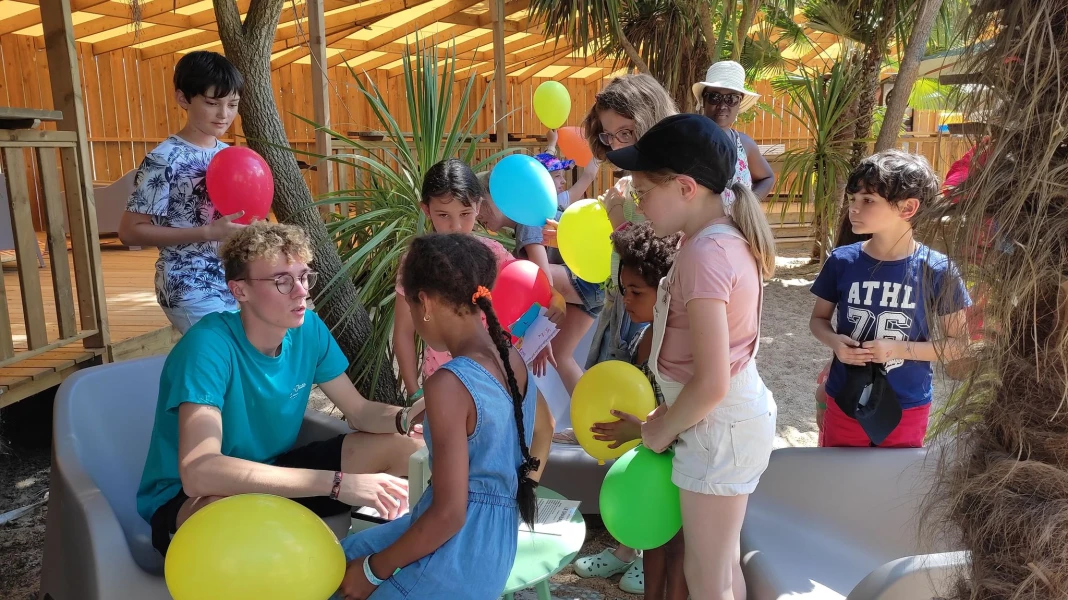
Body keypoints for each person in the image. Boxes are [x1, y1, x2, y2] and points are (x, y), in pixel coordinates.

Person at [136, 221, 421, 557]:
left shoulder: (308, 329)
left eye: (303, 277)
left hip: (273, 472)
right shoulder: (207, 346)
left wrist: (408, 417)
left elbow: (358, 412)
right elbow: (199, 471)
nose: (301, 291)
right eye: (282, 281)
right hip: (189, 497)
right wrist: (337, 484)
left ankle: (401, 565)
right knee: (225, 514)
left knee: (406, 448)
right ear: (239, 290)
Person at [608, 113, 778, 599]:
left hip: (717, 428)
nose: (639, 205)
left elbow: (712, 382)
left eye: (643, 193)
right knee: (720, 567)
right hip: (718, 423)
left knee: (707, 576)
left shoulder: (707, 255)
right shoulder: (706, 241)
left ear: (685, 187)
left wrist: (659, 428)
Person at [333, 233, 555, 600]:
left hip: (455, 553)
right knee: (343, 557)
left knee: (346, 576)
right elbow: (543, 428)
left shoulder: (448, 384)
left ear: (425, 302)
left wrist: (373, 571)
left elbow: (450, 515)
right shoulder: (512, 359)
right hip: (494, 547)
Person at [809, 150, 971, 448]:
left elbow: (958, 345)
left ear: (908, 207)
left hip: (906, 405)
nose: (853, 209)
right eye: (852, 199)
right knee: (839, 483)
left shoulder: (938, 270)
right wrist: (835, 343)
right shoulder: (841, 261)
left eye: (868, 200)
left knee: (894, 487)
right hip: (845, 396)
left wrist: (899, 348)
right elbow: (819, 320)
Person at [573, 223, 686, 599]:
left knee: (678, 547)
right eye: (623, 290)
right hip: (651, 468)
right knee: (654, 540)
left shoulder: (679, 345)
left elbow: (688, 415)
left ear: (666, 290)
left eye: (636, 292)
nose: (626, 300)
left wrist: (639, 431)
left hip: (684, 467)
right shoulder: (642, 335)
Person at [119, 50, 248, 333]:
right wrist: (206, 233)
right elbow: (129, 231)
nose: (224, 114)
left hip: (234, 282)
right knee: (222, 360)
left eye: (232, 104)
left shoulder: (229, 156)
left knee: (234, 367)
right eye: (212, 103)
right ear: (183, 99)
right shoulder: (165, 159)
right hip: (187, 284)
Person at [393, 159, 516, 404]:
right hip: (440, 384)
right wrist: (414, 393)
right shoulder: (416, 262)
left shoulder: (495, 255)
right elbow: (403, 332)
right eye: (443, 215)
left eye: (465, 213)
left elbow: (527, 289)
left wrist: (553, 300)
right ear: (426, 210)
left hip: (494, 380)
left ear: (478, 206)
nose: (456, 226)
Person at [475, 170, 599, 398]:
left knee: (516, 271)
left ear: (496, 198)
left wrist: (540, 333)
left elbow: (541, 278)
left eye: (479, 206)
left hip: (586, 280)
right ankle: (591, 420)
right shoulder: (526, 220)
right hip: (592, 287)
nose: (476, 216)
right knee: (562, 356)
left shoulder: (527, 217)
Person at [692, 60, 776, 202]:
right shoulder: (689, 139)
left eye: (731, 98)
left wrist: (747, 207)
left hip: (736, 224)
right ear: (703, 100)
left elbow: (767, 178)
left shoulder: (744, 144)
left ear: (740, 102)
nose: (722, 106)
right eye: (714, 97)